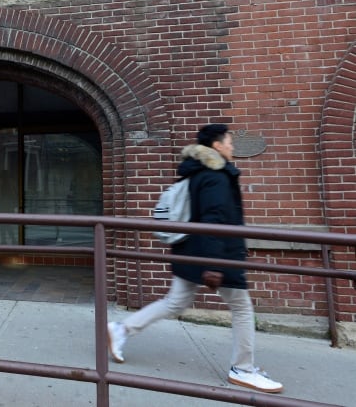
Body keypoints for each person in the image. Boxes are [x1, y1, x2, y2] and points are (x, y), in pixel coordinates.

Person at [107, 124, 284, 394]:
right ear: (216, 146)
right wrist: (214, 265)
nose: (232, 147)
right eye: (229, 142)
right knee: (242, 309)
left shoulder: (195, 173)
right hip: (217, 255)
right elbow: (214, 220)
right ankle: (243, 369)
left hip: (191, 250)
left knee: (175, 302)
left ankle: (122, 329)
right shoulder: (217, 175)